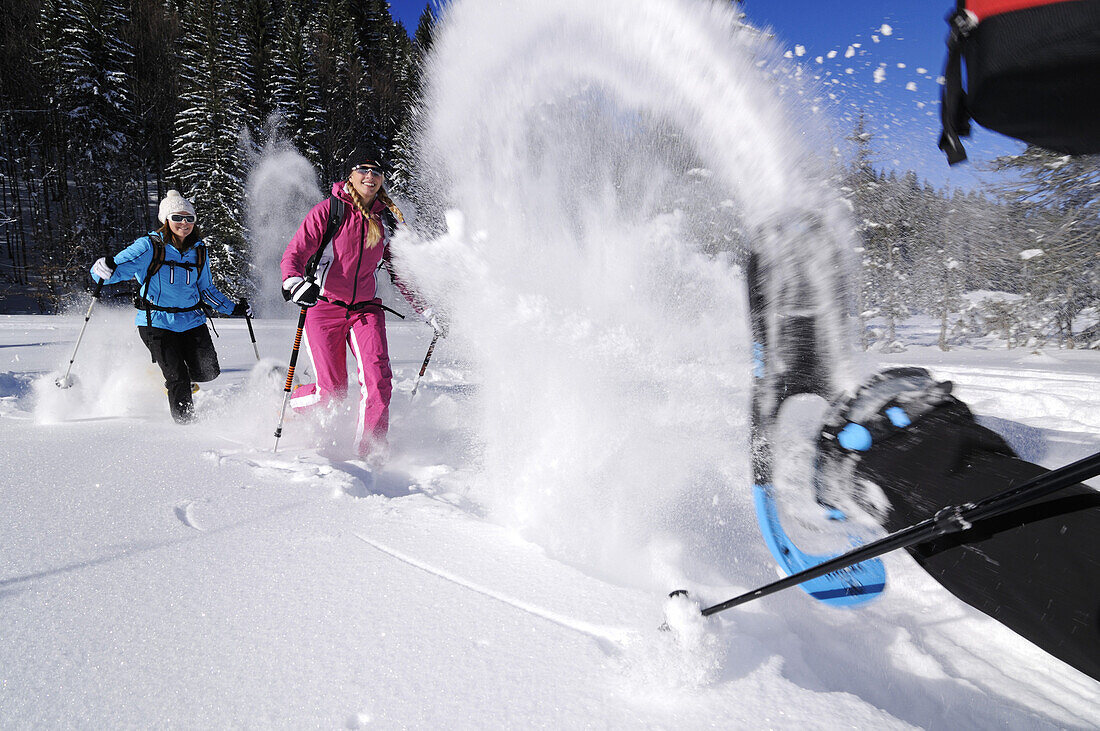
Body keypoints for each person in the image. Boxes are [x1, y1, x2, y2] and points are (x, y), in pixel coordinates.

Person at [280, 147, 444, 462]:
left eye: (376, 171)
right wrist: (293, 282)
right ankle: (290, 406)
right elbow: (296, 252)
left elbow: (400, 272)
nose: (370, 176)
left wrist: (428, 310)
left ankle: (370, 454)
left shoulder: (386, 219)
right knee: (331, 394)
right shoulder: (330, 211)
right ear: (350, 175)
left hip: (366, 310)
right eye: (363, 169)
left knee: (378, 383)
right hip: (324, 307)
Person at [90, 190, 250, 424]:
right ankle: (185, 429)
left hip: (192, 320)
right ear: (166, 219)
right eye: (177, 217)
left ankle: (170, 378)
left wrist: (233, 308)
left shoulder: (199, 250)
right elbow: (115, 269)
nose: (184, 223)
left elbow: (206, 289)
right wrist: (101, 269)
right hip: (156, 322)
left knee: (208, 372)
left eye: (189, 218)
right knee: (178, 378)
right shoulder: (148, 246)